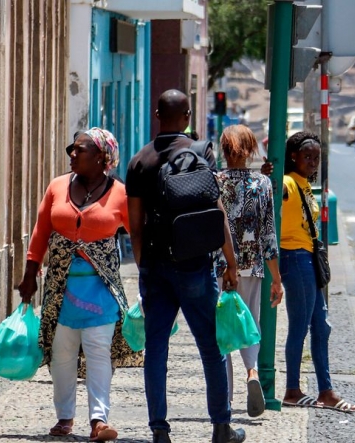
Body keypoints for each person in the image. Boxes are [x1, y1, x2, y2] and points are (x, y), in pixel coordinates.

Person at [126, 89, 245, 443]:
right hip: (194, 263)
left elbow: (135, 224)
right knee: (211, 346)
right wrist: (230, 261)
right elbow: (216, 210)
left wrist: (144, 265)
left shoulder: (139, 161)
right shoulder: (200, 151)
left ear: (157, 113)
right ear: (188, 115)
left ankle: (159, 431)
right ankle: (221, 427)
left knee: (156, 348)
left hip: (156, 264)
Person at [18, 128, 141, 442]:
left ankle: (99, 419)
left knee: (99, 351)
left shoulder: (119, 194)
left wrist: (149, 278)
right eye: (71, 149)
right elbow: (40, 231)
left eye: (80, 149)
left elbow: (139, 238)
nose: (72, 154)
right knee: (62, 353)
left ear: (101, 157)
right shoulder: (58, 186)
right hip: (61, 288)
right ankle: (64, 416)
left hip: (100, 290)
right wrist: (30, 274)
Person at [273, 132, 355, 413]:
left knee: (321, 327)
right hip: (295, 258)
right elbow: (274, 195)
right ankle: (292, 390)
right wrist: (268, 175)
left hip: (308, 259)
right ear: (293, 156)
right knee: (299, 326)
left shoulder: (304, 185)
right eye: (307, 156)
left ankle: (326, 391)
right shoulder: (287, 184)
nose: (312, 162)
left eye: (316, 158)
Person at [214, 125, 284, 418]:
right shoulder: (262, 185)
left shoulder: (214, 182)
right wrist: (276, 279)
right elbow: (269, 234)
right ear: (251, 149)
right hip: (252, 266)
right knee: (250, 323)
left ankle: (224, 399)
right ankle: (252, 372)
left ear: (224, 151)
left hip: (219, 265)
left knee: (221, 332)